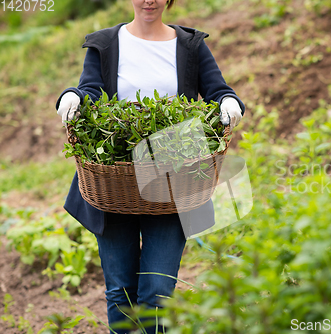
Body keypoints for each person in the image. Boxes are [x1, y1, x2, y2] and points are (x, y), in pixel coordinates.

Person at [54, 1, 245, 333]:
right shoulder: (105, 44)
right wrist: (73, 96)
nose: (149, 0)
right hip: (115, 183)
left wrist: (229, 102)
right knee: (121, 292)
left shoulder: (190, 45)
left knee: (157, 291)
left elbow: (218, 91)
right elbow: (90, 90)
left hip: (173, 182)